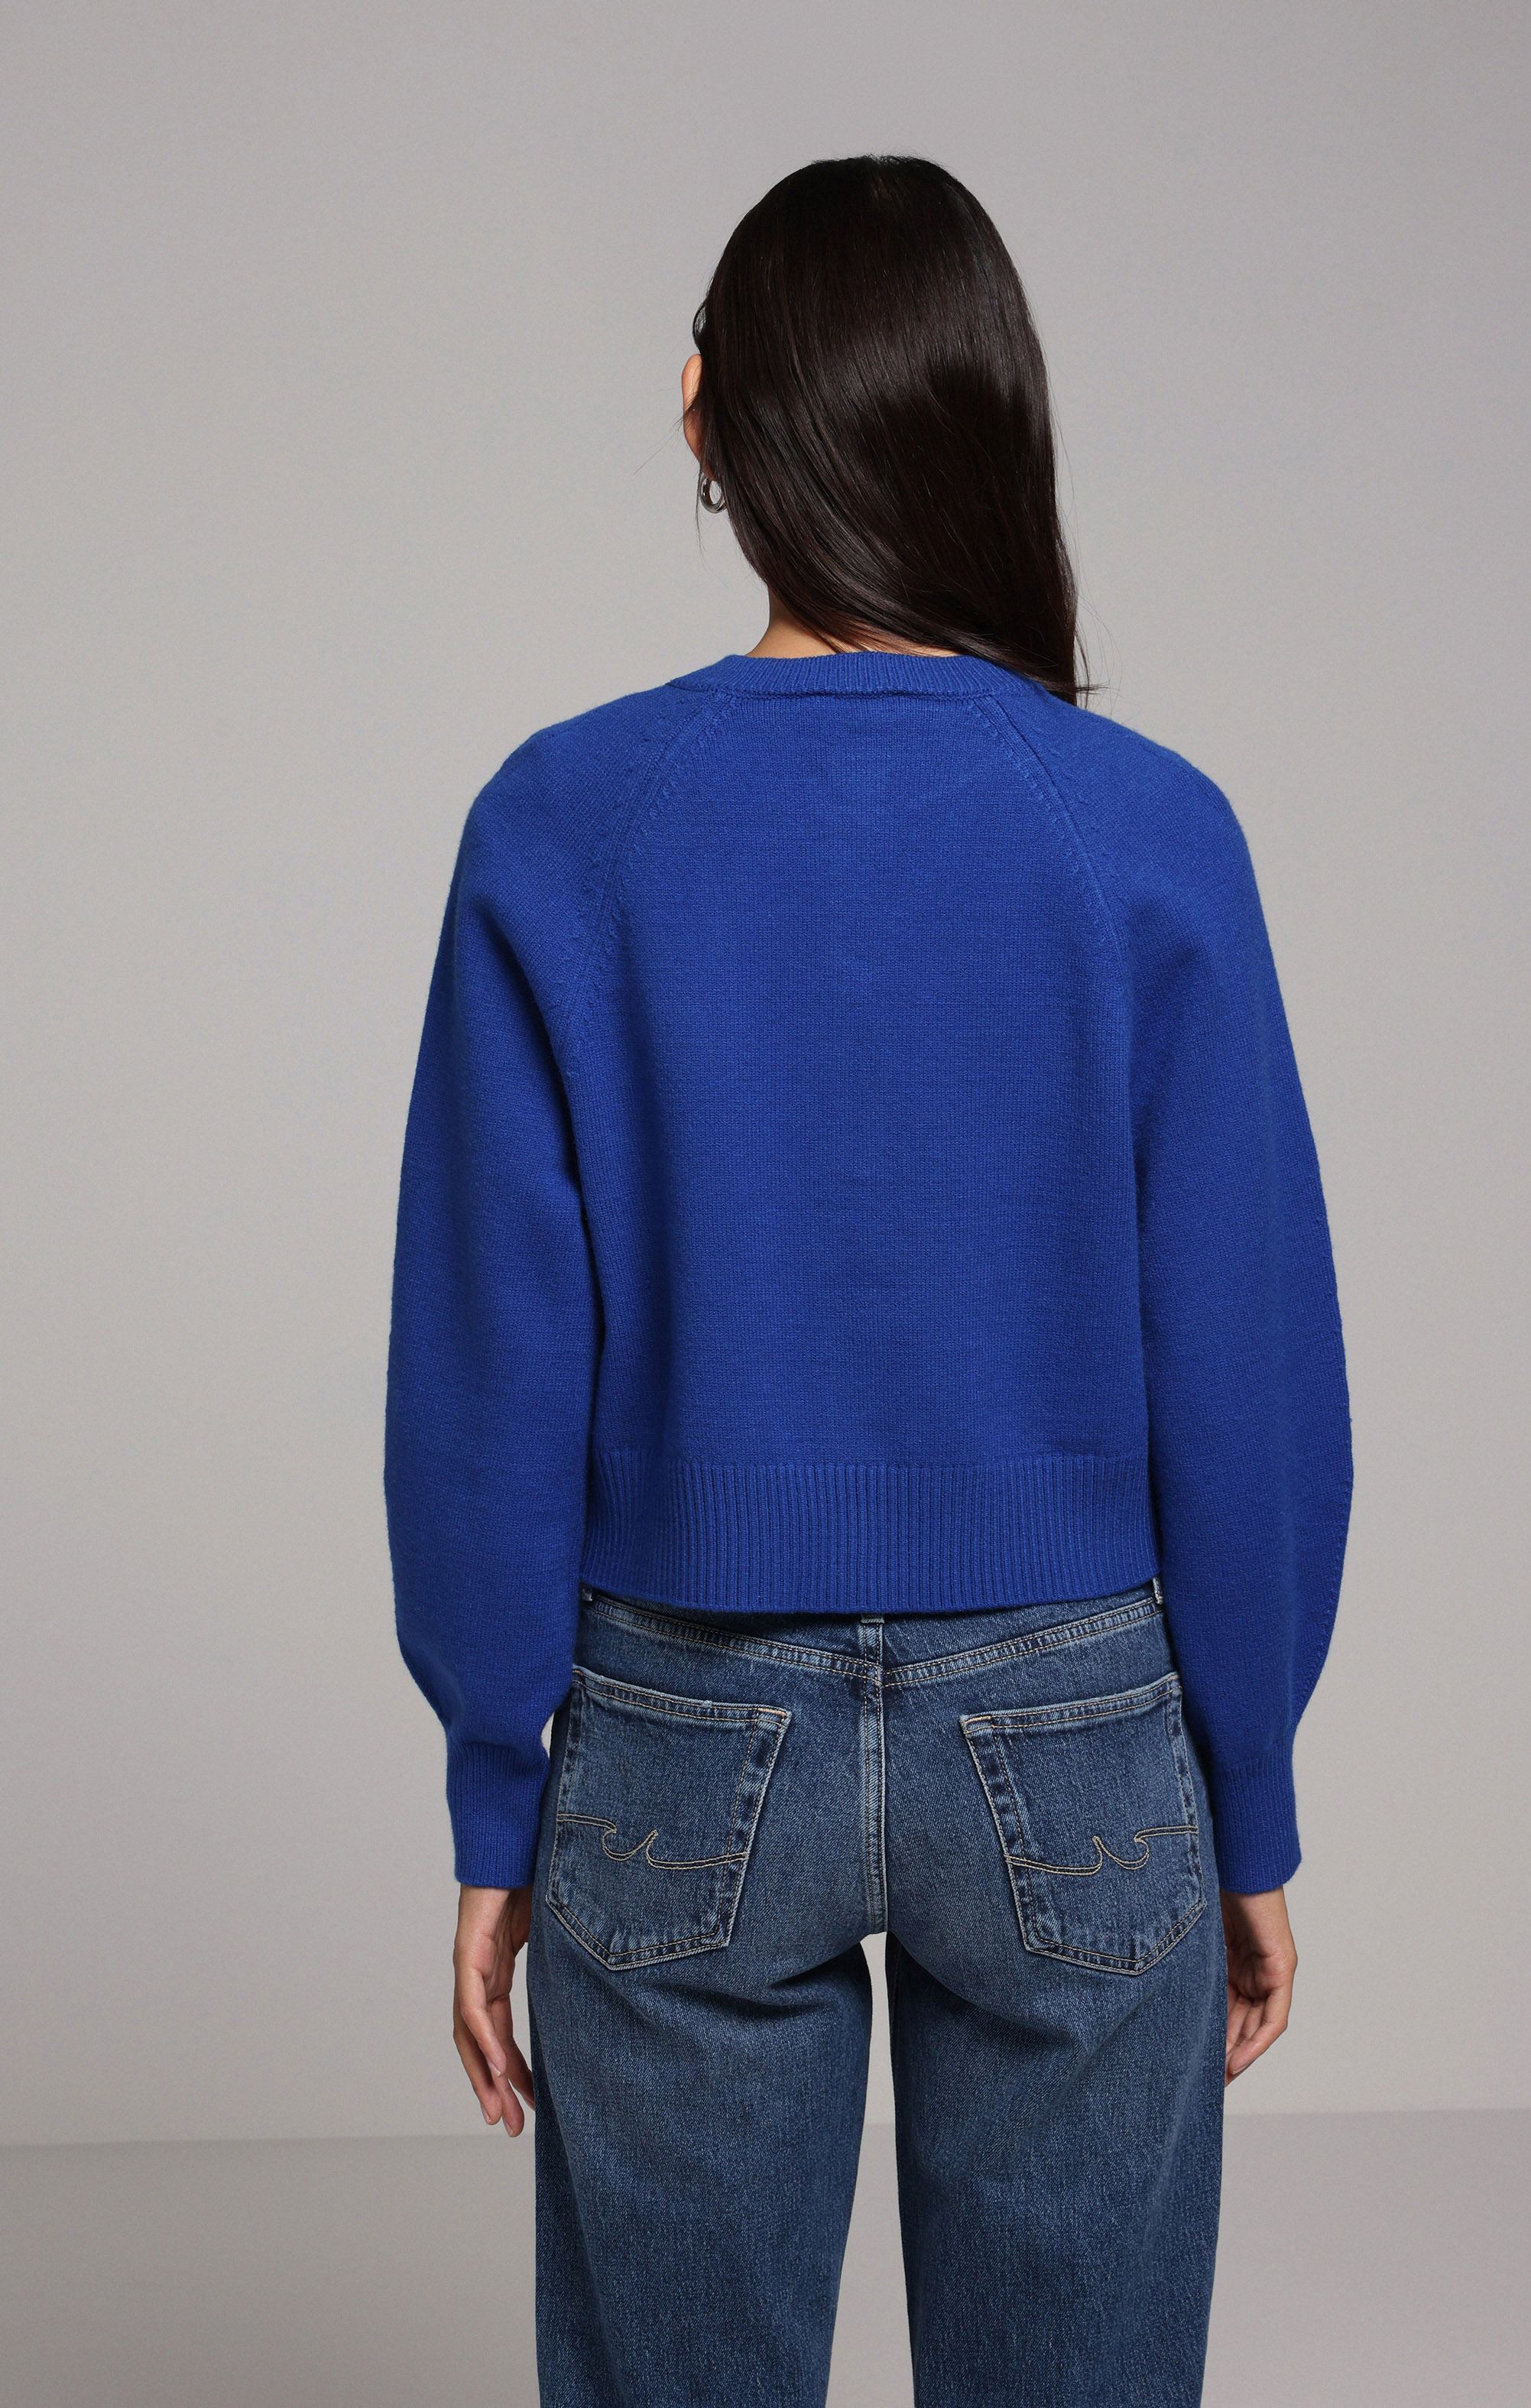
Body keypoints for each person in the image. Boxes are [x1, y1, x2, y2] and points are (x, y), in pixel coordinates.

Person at [384, 154, 1353, 2408]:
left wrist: (495, 1792)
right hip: (1080, 1721)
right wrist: (1253, 1785)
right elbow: (1244, 1365)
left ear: (705, 412)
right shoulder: (1144, 828)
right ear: (989, 423)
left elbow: (490, 1363)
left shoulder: (565, 820)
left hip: (683, 1720)